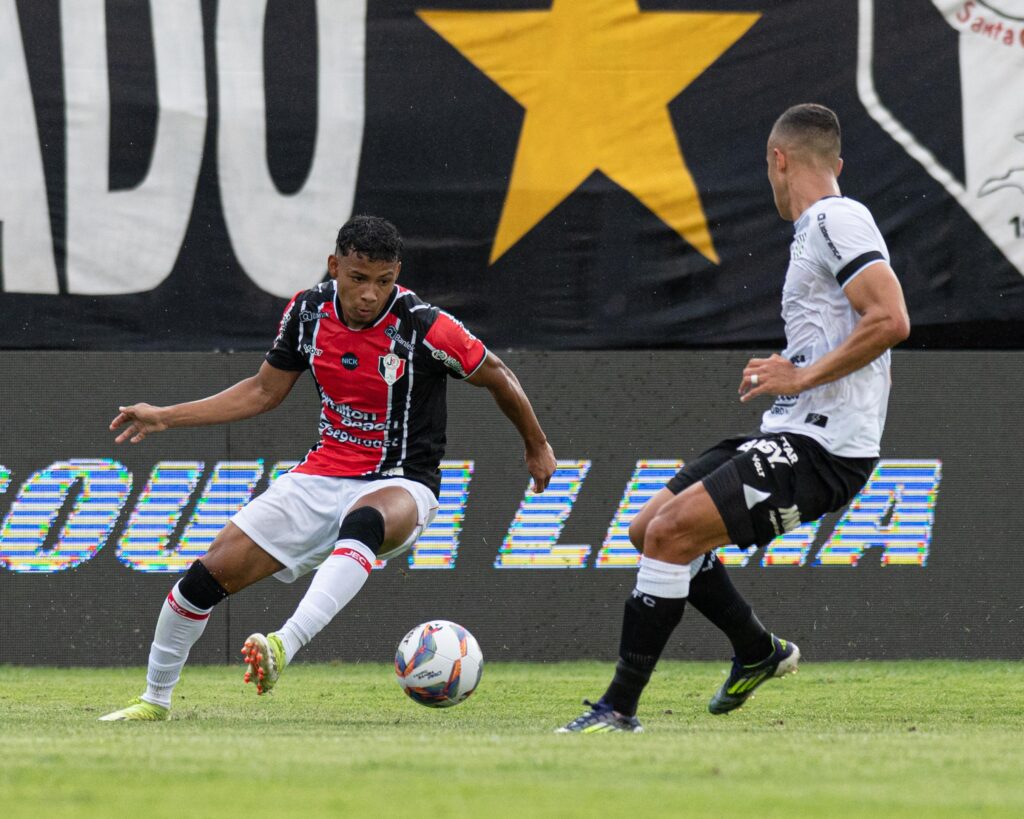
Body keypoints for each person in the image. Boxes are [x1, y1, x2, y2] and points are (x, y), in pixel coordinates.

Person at [100, 215, 556, 721]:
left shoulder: (425, 326)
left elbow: (498, 374)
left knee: (363, 522)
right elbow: (262, 391)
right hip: (320, 474)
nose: (369, 294)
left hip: (402, 482)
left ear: (397, 274)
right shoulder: (308, 311)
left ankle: (283, 646)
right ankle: (154, 700)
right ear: (334, 266)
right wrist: (165, 416)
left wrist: (536, 445)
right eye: (358, 279)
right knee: (203, 579)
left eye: (383, 281)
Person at [558, 103, 910, 733]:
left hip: (826, 447)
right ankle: (756, 650)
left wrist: (801, 376)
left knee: (670, 536)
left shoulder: (835, 216)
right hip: (793, 430)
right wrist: (796, 363)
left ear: (778, 160)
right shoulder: (819, 228)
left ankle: (618, 709)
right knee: (647, 530)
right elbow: (848, 325)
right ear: (835, 161)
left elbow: (890, 318)